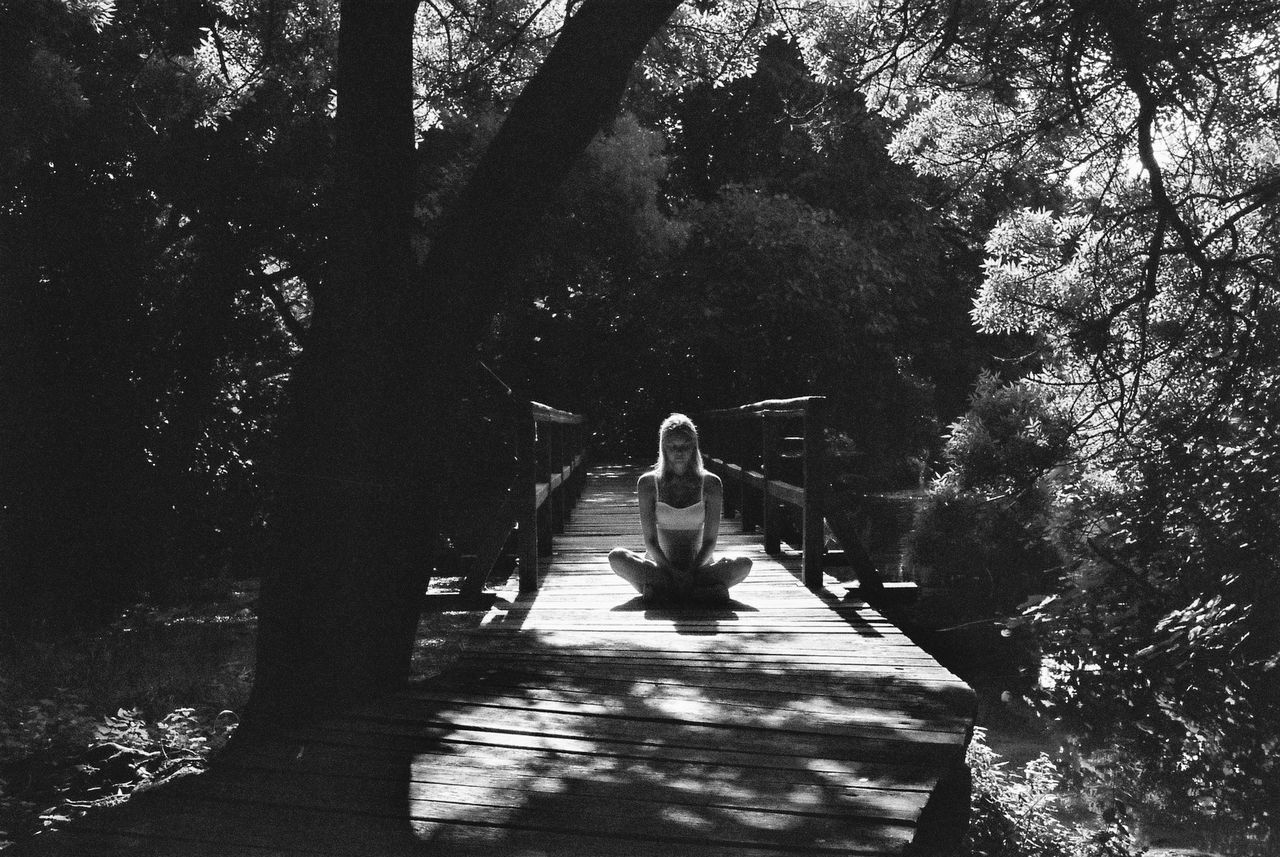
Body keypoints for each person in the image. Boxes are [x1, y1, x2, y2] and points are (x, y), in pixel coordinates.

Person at [608, 413, 752, 604]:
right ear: (663, 448)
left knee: (744, 564)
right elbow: (650, 541)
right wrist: (672, 572)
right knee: (617, 557)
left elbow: (709, 542)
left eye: (685, 446)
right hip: (659, 566)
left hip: (699, 567)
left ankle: (663, 593)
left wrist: (690, 573)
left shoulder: (711, 484)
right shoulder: (648, 484)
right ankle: (700, 594)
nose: (679, 452)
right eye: (672, 447)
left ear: (694, 448)